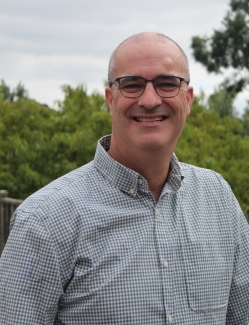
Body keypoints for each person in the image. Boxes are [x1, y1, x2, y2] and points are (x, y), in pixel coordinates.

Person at [0, 32, 249, 325]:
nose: (149, 99)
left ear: (188, 99)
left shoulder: (217, 198)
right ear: (110, 99)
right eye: (132, 85)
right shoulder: (45, 219)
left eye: (167, 84)